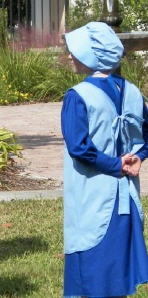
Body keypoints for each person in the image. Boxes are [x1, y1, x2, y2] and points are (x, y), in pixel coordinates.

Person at [61, 21, 148, 297]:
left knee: (93, 267)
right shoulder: (133, 92)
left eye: (75, 50)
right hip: (127, 197)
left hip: (93, 198)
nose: (70, 56)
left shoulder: (78, 96)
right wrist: (137, 157)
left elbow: (79, 147)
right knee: (116, 269)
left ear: (91, 55)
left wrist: (114, 164)